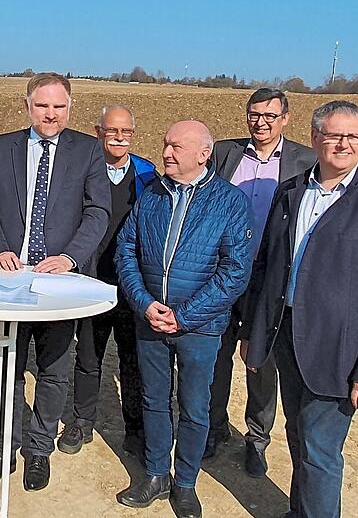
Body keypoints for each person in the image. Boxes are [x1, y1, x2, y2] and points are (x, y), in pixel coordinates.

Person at [241, 101, 358, 518]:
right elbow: (267, 266)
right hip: (287, 337)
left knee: (320, 450)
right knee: (298, 436)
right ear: (315, 138)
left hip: (339, 352)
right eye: (334, 135)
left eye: (353, 136)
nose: (343, 144)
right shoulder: (291, 191)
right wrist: (253, 333)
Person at [0, 72, 110, 491]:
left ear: (70, 108)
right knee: (8, 366)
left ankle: (38, 448)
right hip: (10, 276)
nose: (51, 114)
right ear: (27, 105)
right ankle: (8, 443)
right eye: (43, 106)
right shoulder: (0, 148)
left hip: (58, 282)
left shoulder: (87, 150)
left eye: (59, 107)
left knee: (53, 370)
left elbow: (97, 212)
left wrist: (69, 257)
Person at [115, 120, 253, 518]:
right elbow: (127, 248)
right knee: (154, 400)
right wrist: (143, 303)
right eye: (165, 144)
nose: (166, 153)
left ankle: (186, 482)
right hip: (151, 321)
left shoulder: (229, 201)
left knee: (194, 407)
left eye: (176, 146)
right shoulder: (153, 193)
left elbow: (234, 272)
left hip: (200, 328)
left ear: (203, 154)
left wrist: (184, 315)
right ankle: (156, 474)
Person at [205, 88, 316, 475]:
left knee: (261, 362)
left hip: (269, 277)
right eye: (254, 115)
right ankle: (213, 428)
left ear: (285, 118)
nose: (261, 123)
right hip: (221, 273)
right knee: (214, 354)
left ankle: (256, 439)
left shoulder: (306, 161)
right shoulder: (224, 153)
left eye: (270, 115)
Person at [58, 105, 156, 457]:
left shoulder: (147, 175)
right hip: (90, 280)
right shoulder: (82, 171)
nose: (119, 137)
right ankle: (81, 421)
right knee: (88, 354)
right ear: (98, 131)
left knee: (132, 359)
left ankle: (134, 428)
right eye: (112, 131)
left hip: (131, 284)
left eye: (126, 132)